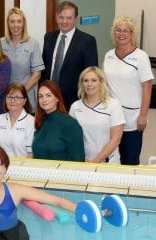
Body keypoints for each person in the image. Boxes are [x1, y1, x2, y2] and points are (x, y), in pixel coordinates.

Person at [103, 16, 154, 165]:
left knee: (129, 159)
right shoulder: (109, 55)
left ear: (132, 34)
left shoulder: (141, 57)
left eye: (126, 30)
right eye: (118, 30)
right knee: (108, 156)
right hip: (110, 114)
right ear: (113, 32)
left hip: (132, 117)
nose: (121, 33)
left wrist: (143, 116)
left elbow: (147, 87)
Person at [42, 1, 98, 110]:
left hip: (74, 100)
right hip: (48, 98)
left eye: (69, 18)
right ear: (56, 17)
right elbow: (44, 69)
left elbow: (91, 73)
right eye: (61, 17)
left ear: (76, 19)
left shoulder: (87, 41)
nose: (64, 21)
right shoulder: (48, 37)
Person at [70, 67, 125, 164]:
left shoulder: (113, 105)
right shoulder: (75, 107)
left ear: (101, 82)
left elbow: (115, 140)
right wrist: (83, 160)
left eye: (94, 80)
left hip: (108, 163)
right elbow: (71, 138)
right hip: (83, 162)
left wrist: (94, 162)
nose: (89, 84)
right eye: (85, 81)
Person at [1, 7, 44, 112]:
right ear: (8, 24)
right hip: (6, 96)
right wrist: (11, 96)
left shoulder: (33, 44)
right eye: (12, 21)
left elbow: (37, 74)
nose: (16, 25)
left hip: (26, 96)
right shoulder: (1, 43)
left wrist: (20, 93)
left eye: (19, 21)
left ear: (23, 23)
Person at [32, 80, 84, 161]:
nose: (44, 100)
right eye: (40, 96)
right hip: (40, 172)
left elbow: (78, 160)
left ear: (57, 98)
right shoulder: (40, 122)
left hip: (62, 173)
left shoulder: (70, 124)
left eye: (48, 95)